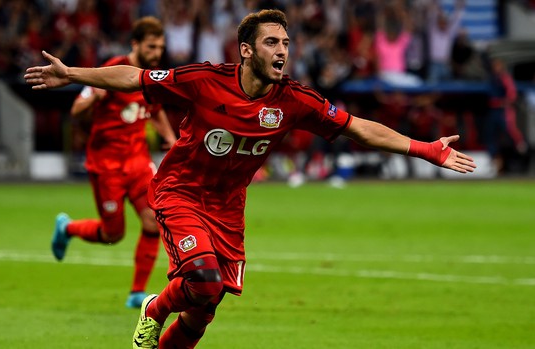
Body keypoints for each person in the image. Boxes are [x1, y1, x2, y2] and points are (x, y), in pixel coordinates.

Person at [25, 9, 476, 349]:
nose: (282, 51)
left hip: (227, 208)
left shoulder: (295, 100)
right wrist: (73, 74)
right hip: (180, 191)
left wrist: (426, 149)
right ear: (246, 50)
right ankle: (153, 306)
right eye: (271, 43)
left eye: (286, 43)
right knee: (202, 280)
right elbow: (135, 76)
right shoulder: (202, 81)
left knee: (205, 309)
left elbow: (359, 126)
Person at [51, 16, 177, 309]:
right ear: (135, 44)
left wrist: (171, 138)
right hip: (106, 163)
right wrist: (95, 98)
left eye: (160, 47)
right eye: (151, 46)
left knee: (153, 222)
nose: (157, 53)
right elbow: (76, 111)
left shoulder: (153, 76)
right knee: (113, 234)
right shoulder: (111, 70)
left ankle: (136, 293)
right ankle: (67, 228)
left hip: (137, 162)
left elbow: (155, 110)